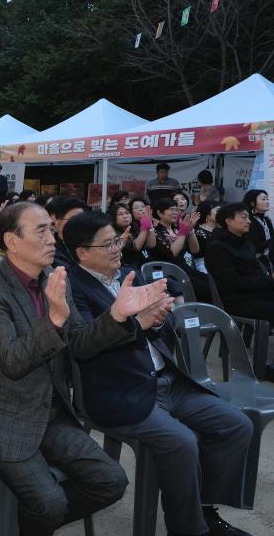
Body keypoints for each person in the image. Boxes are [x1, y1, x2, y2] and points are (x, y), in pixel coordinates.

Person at [0, 201, 170, 534]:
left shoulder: (55, 279)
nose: (52, 237)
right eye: (41, 230)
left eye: (50, 228)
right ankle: (23, 519)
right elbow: (14, 361)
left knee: (112, 481)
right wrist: (55, 320)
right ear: (13, 242)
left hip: (51, 414)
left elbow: (79, 345)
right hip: (3, 419)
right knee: (50, 502)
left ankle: (16, 523)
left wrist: (116, 316)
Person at [65, 211, 253, 536]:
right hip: (121, 390)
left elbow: (162, 328)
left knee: (235, 424)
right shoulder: (71, 288)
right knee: (182, 443)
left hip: (166, 379)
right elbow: (81, 345)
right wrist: (132, 321)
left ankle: (205, 511)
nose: (117, 247)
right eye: (109, 243)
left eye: (118, 240)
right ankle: (189, 529)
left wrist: (162, 317)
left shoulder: (130, 273)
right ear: (83, 252)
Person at [205, 202, 274, 328]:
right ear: (229, 221)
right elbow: (234, 283)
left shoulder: (246, 244)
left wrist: (268, 280)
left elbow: (256, 272)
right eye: (244, 217)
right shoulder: (217, 248)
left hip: (255, 293)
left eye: (248, 217)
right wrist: (268, 280)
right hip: (237, 300)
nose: (249, 221)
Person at [148, 197, 211, 301]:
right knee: (204, 289)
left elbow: (195, 250)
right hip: (169, 272)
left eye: (176, 210)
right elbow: (172, 253)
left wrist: (190, 230)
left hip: (185, 269)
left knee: (211, 282)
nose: (175, 212)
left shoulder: (178, 229)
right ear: (160, 213)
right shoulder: (155, 232)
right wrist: (182, 232)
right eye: (171, 209)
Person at [45, 195, 87, 269]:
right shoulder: (52, 251)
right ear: (58, 224)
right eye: (74, 219)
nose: (80, 223)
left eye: (83, 218)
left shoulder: (91, 243)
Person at [243, 189, 274, 274]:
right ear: (253, 203)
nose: (267, 202)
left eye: (267, 199)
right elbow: (256, 247)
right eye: (263, 199)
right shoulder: (249, 222)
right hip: (257, 264)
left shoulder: (267, 221)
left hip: (269, 260)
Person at [109, 202, 147, 270]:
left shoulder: (134, 227)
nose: (125, 216)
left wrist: (150, 227)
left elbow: (151, 244)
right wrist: (144, 229)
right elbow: (135, 248)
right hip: (126, 268)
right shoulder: (113, 233)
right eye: (120, 214)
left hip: (142, 264)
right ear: (114, 218)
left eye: (127, 213)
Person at [193, 199, 219, 272]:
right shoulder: (199, 232)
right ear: (207, 213)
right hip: (204, 265)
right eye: (217, 210)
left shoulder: (220, 230)